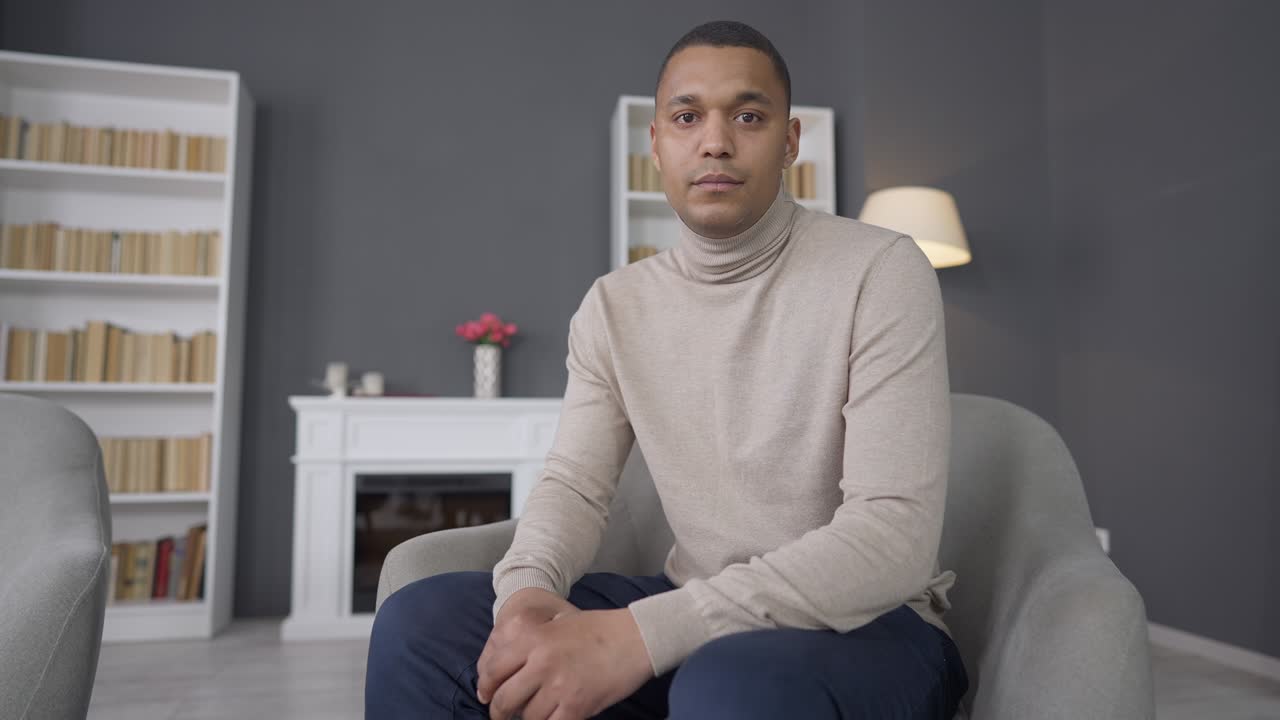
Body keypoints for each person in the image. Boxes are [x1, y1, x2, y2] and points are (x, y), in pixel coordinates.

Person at [366, 19, 969, 720]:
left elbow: (890, 539)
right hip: (692, 611)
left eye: (748, 115)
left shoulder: (882, 270)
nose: (715, 140)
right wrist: (528, 597)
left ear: (790, 142)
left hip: (869, 625)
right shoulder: (614, 306)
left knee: (731, 683)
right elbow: (574, 485)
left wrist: (639, 639)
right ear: (656, 144)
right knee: (419, 625)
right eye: (687, 117)